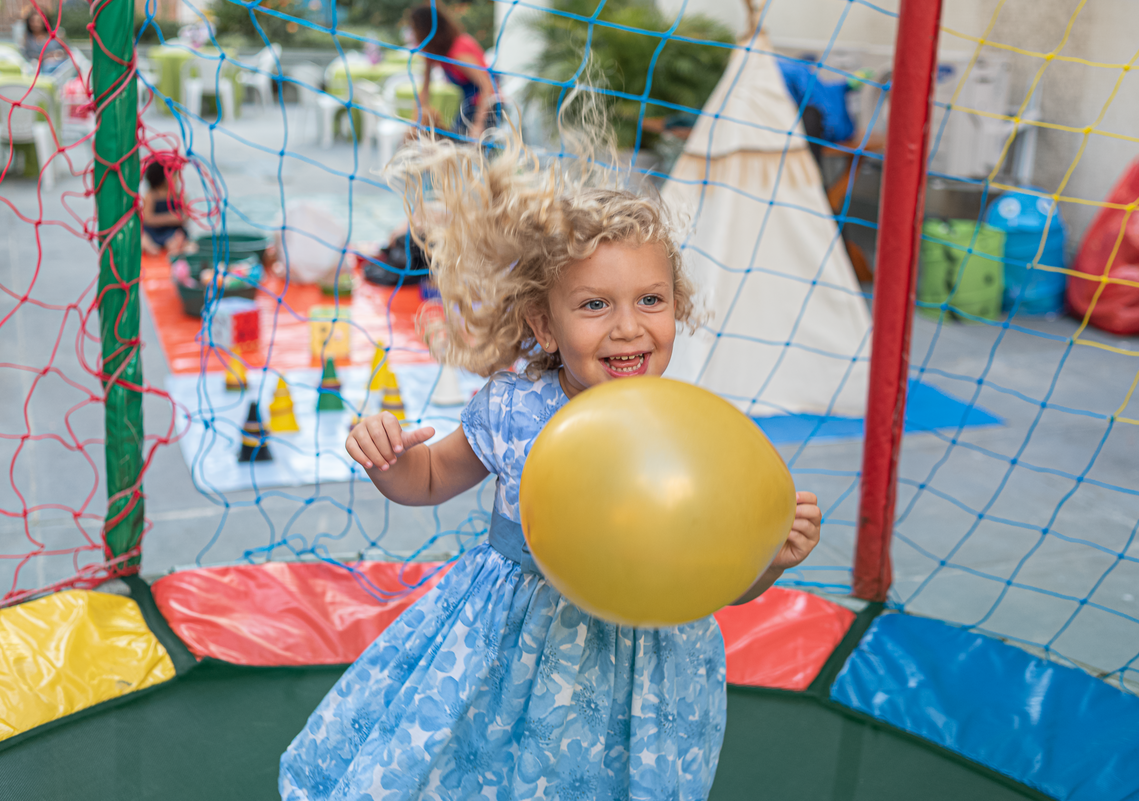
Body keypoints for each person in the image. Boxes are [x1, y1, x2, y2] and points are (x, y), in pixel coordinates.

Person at [278, 112, 823, 800]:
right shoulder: (513, 405)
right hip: (507, 646)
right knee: (484, 768)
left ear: (675, 307)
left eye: (650, 299)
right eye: (595, 304)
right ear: (544, 322)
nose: (628, 325)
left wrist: (769, 560)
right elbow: (430, 477)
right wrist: (389, 459)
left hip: (636, 672)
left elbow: (717, 583)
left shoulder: (690, 434)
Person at [404, 4, 498, 138]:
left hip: (488, 105)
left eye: (414, 30)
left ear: (426, 31)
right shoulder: (435, 53)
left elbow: (488, 86)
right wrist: (415, 121)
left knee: (460, 146)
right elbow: (424, 90)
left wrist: (478, 125)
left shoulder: (458, 51)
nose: (412, 35)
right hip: (469, 104)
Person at [140, 161, 191, 255]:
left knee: (178, 237)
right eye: (174, 175)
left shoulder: (180, 195)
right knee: (143, 237)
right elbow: (147, 218)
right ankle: (152, 248)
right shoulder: (151, 195)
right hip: (152, 231)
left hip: (171, 231)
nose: (177, 179)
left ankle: (171, 249)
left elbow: (186, 216)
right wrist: (171, 218)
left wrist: (180, 218)